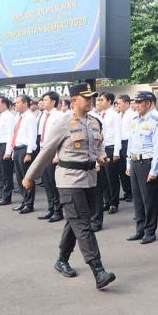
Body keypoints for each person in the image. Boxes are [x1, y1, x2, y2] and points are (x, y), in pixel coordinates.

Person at [22, 83, 116, 289]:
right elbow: (46, 151)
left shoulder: (94, 122)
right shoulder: (63, 123)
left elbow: (98, 146)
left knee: (74, 221)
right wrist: (30, 177)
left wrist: (101, 158)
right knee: (83, 224)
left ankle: (61, 260)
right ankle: (98, 270)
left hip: (90, 179)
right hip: (69, 180)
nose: (90, 101)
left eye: (92, 98)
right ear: (74, 101)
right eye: (86, 98)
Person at [125, 91, 158, 244]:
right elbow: (131, 143)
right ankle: (139, 229)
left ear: (148, 104)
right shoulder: (135, 120)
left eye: (140, 102)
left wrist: (154, 170)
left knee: (149, 200)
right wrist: (128, 162)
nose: (137, 105)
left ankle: (150, 231)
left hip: (147, 163)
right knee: (138, 199)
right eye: (136, 102)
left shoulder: (156, 121)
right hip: (135, 162)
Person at [36, 91, 64, 222]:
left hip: (53, 152)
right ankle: (51, 208)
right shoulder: (43, 115)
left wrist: (58, 155)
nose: (43, 102)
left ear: (53, 102)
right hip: (43, 150)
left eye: (46, 99)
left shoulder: (59, 116)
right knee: (46, 181)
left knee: (53, 182)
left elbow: (61, 137)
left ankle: (58, 211)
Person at [96, 92, 122, 215]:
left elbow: (118, 134)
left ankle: (114, 202)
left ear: (109, 101)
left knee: (111, 177)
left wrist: (117, 151)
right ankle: (106, 200)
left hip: (110, 148)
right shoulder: (100, 114)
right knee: (103, 177)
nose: (99, 102)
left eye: (102, 100)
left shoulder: (114, 115)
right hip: (101, 149)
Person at [10, 94, 37, 213]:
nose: (15, 105)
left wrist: (29, 153)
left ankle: (29, 204)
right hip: (17, 149)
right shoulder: (18, 117)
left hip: (25, 150)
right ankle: (24, 200)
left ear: (25, 103)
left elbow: (32, 137)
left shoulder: (30, 117)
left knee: (27, 177)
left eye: (17, 102)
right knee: (20, 177)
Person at [117, 94, 136, 202]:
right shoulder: (118, 115)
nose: (118, 106)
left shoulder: (132, 115)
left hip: (128, 143)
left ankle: (131, 192)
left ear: (127, 103)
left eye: (120, 103)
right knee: (121, 169)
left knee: (128, 168)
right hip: (119, 143)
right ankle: (126, 191)